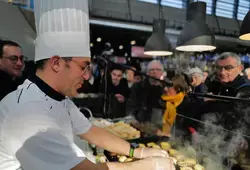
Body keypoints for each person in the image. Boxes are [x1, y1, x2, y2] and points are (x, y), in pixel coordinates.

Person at [0, 1, 174, 170]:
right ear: (56, 63)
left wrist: (137, 151)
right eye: (83, 66)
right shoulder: (28, 114)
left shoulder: (58, 99)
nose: (87, 75)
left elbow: (90, 130)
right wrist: (149, 165)